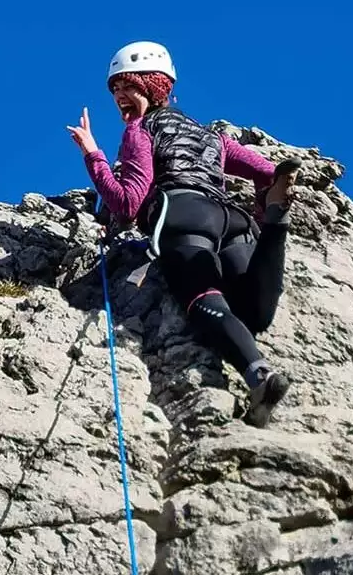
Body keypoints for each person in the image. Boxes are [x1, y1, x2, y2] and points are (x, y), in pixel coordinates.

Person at [64, 40, 301, 428]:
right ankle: (274, 225)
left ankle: (257, 375)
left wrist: (93, 154)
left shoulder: (141, 130)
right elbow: (265, 171)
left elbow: (127, 203)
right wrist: (267, 195)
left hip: (183, 217)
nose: (119, 96)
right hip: (233, 220)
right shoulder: (211, 136)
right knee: (256, 313)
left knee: (202, 298)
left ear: (152, 86)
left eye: (127, 86)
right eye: (115, 90)